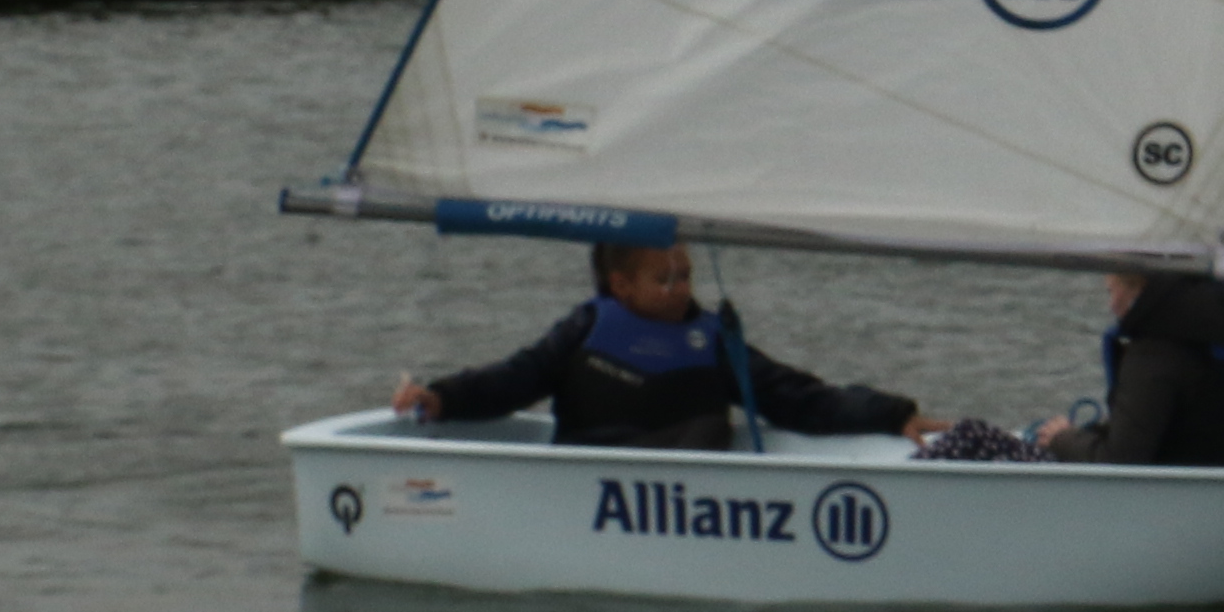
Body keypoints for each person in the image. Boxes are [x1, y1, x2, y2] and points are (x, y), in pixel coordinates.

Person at [390, 239, 942, 450]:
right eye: (664, 279)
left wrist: (890, 414)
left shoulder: (712, 340)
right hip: (591, 470)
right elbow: (516, 378)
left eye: (686, 276)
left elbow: (794, 396)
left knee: (710, 429)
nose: (681, 289)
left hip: (682, 485)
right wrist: (442, 397)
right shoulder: (585, 330)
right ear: (621, 285)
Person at [1034, 269, 1224, 468]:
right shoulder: (1220, 338)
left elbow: (1119, 460)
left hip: (1173, 493)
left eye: (1112, 291)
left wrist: (1061, 439)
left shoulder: (1153, 356)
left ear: (1137, 290)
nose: (1112, 306)